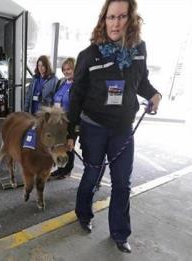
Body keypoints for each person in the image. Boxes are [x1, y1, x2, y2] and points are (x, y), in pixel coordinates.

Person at [67, 0, 162, 253]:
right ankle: (84, 213)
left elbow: (141, 81)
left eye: (122, 17)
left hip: (122, 129)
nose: (116, 23)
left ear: (131, 19)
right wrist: (70, 132)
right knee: (92, 174)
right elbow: (76, 96)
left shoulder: (139, 49)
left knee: (122, 183)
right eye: (111, 17)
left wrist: (153, 94)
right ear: (103, 19)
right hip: (93, 126)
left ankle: (120, 233)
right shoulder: (89, 55)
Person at [50, 58, 75, 179]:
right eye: (64, 70)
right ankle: (60, 168)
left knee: (69, 146)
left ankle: (66, 169)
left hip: (70, 121)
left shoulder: (77, 85)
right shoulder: (62, 83)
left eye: (69, 69)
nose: (66, 72)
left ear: (74, 69)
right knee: (59, 144)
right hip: (58, 120)